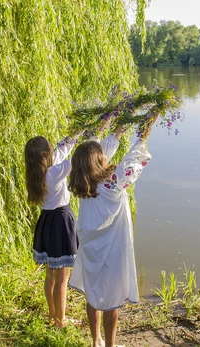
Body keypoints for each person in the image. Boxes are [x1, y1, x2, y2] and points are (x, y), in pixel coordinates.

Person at [68, 115, 157, 347]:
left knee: (93, 291)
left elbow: (98, 152)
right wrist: (144, 135)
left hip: (90, 247)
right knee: (112, 300)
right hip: (110, 247)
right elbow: (133, 162)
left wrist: (117, 132)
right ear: (99, 162)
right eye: (103, 156)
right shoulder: (113, 183)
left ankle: (96, 340)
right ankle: (109, 345)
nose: (106, 156)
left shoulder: (84, 182)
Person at [24, 132, 81, 328]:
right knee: (62, 279)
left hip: (47, 222)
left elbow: (61, 151)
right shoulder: (53, 173)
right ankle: (60, 321)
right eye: (50, 149)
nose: (53, 151)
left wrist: (78, 133)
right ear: (45, 156)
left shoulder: (37, 172)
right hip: (60, 222)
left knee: (50, 275)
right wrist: (94, 138)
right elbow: (75, 160)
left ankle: (52, 315)